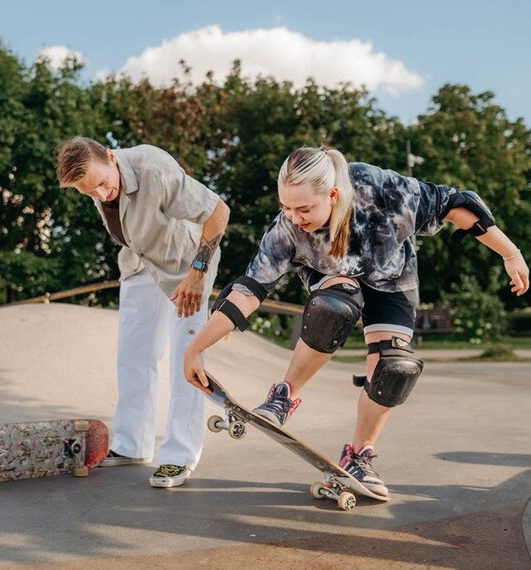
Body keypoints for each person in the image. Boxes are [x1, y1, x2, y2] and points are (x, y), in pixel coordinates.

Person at [184, 146, 528, 496]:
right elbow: (249, 290)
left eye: (303, 209)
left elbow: (459, 205)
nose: (294, 217)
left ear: (333, 195)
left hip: (393, 278)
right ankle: (284, 397)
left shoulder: (384, 191)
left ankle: (358, 456)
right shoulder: (285, 230)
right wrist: (196, 349)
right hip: (332, 278)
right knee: (335, 308)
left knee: (395, 368)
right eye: (285, 207)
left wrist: (510, 253)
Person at [57, 137, 229, 488]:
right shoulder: (96, 181)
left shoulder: (154, 168)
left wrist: (198, 273)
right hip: (139, 265)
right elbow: (114, 209)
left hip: (185, 269)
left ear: (110, 157)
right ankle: (132, 444)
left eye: (104, 184)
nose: (102, 195)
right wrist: (98, 189)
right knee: (133, 356)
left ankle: (179, 457)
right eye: (90, 192)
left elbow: (218, 212)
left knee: (186, 359)